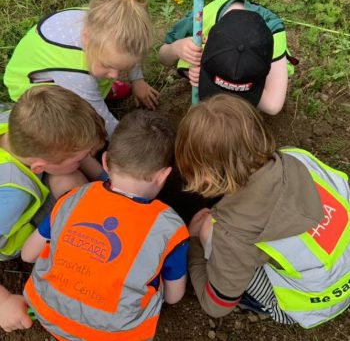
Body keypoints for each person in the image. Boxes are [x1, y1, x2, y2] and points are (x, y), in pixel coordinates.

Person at [175, 93, 350, 328]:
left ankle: (265, 303)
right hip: (341, 268)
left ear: (205, 175)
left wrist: (195, 245)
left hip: (312, 304)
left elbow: (215, 306)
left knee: (208, 230)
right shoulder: (296, 157)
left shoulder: (234, 233)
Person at [22, 109, 189, 340]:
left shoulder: (73, 197)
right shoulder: (171, 228)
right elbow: (173, 297)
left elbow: (28, 255)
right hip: (117, 334)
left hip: (46, 311)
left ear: (105, 161)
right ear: (164, 175)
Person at [0, 85, 106, 333]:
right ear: (39, 167)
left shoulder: (13, 120)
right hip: (14, 234)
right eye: (79, 158)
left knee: (68, 180)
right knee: (71, 185)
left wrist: (107, 179)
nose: (83, 161)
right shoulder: (12, 196)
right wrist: (3, 301)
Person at [4, 0, 160, 138]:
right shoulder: (76, 70)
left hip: (71, 71)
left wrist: (137, 80)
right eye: (108, 66)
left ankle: (95, 90)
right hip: (34, 93)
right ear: (86, 37)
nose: (115, 75)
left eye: (122, 68)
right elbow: (102, 120)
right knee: (78, 124)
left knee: (97, 74)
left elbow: (132, 48)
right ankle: (89, 95)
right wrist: (127, 144)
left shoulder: (107, 19)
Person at [159, 0, 298, 115]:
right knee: (188, 58)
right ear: (206, 41)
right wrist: (175, 48)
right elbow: (163, 56)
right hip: (201, 57)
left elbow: (273, 106)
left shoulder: (273, 34)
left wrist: (235, 89)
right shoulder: (202, 18)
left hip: (262, 64)